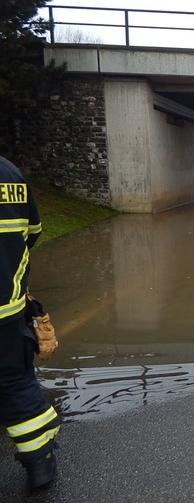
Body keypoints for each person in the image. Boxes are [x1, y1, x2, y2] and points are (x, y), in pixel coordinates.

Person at [0, 156, 60, 490]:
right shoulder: (9, 173)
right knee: (15, 383)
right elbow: (32, 232)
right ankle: (40, 465)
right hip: (7, 311)